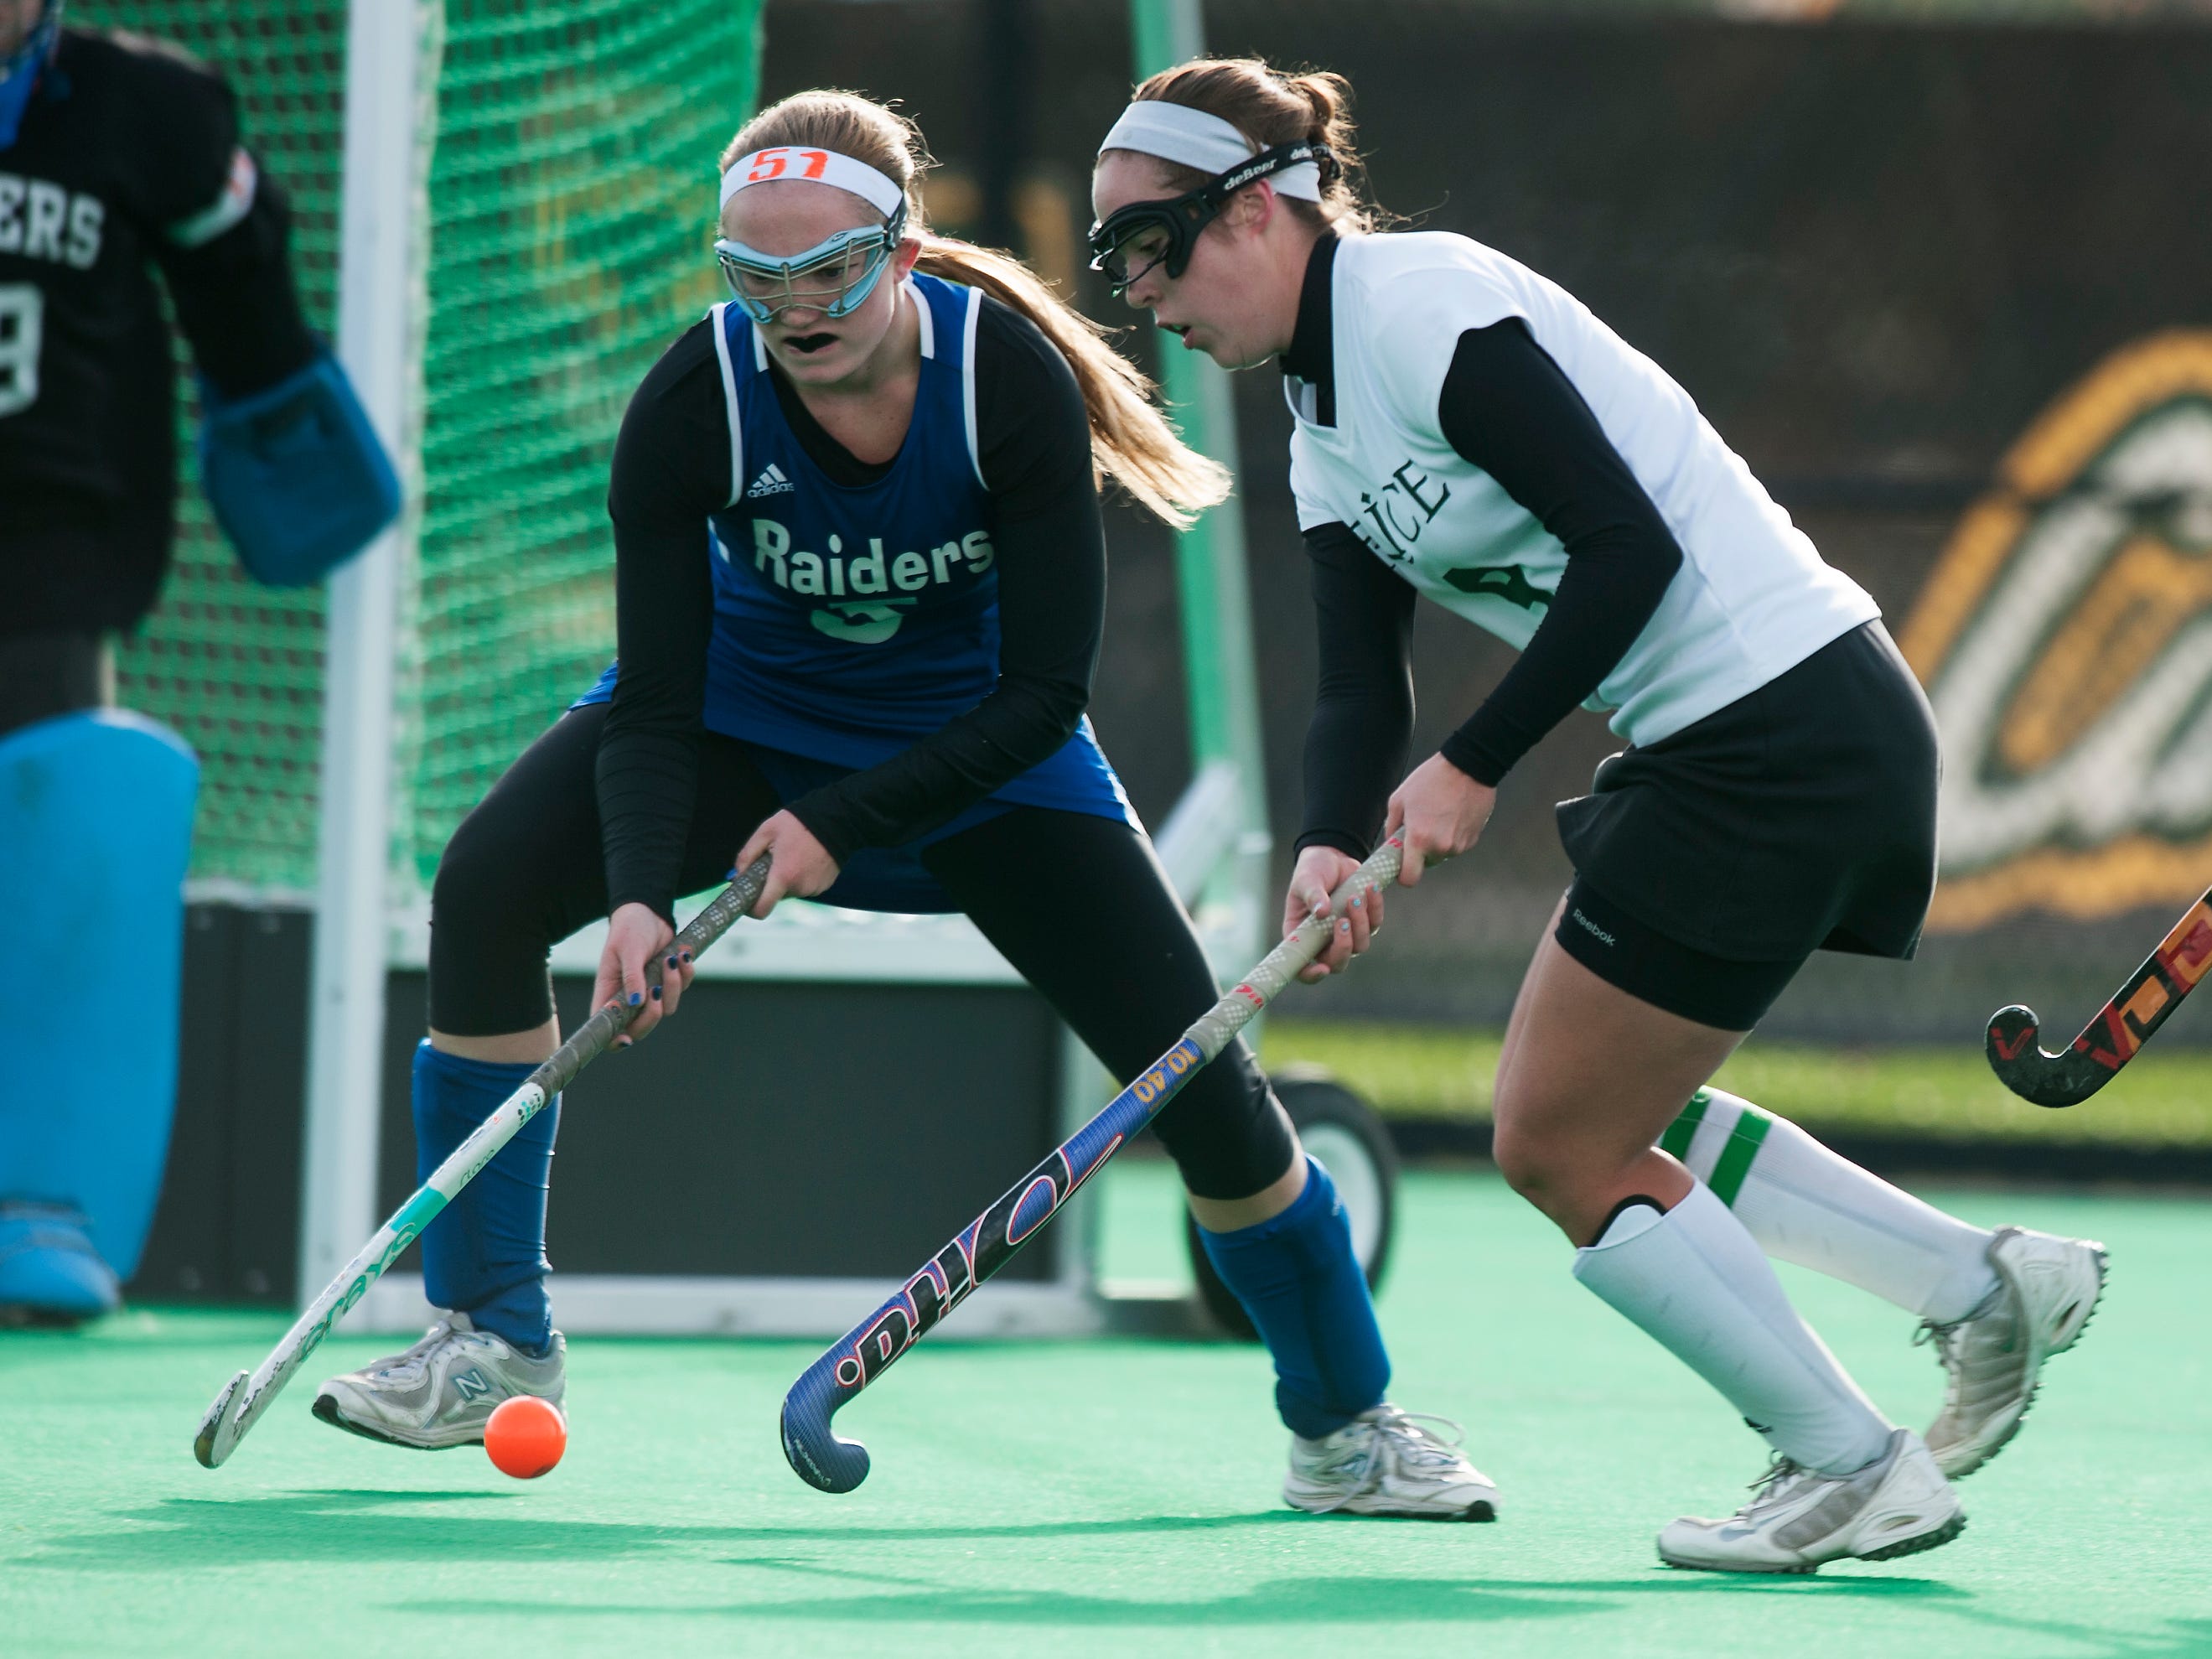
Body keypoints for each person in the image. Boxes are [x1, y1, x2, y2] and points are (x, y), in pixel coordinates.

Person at [312, 89, 1495, 1521]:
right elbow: (659, 700)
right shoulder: (696, 403)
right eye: (756, 281)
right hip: (745, 724)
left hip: (986, 758)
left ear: (905, 251)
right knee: (492, 885)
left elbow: (1043, 698)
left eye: (830, 273)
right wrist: (637, 892)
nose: (795, 310)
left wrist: (840, 826)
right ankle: (491, 1341)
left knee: (1199, 1082)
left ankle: (1348, 1428)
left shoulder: (1006, 388)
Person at [1090, 58, 2106, 1573]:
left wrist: (1476, 763)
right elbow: (1359, 685)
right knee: (1618, 1096)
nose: (1138, 294)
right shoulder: (1317, 426)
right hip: (1743, 738)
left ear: (1257, 209)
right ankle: (1984, 1286)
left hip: (1779, 723)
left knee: (1556, 1138)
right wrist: (1327, 834)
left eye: (1146, 247)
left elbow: (1622, 549)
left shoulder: (1417, 309)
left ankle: (1848, 1464)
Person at [0, 3, 391, 1322]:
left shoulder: (146, 109)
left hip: (56, 539)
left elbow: (243, 298)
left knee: (48, 831)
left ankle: (34, 1194)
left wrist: (282, 404)